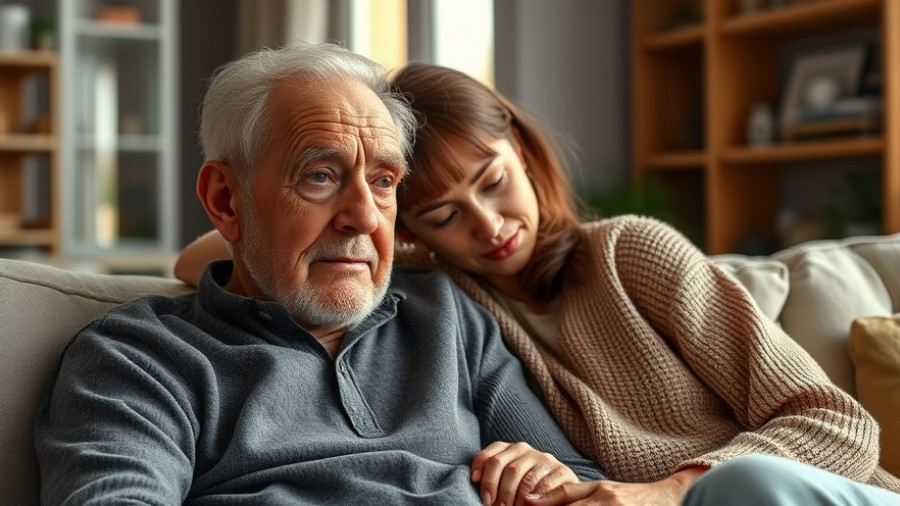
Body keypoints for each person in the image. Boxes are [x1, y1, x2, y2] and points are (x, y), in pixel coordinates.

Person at [176, 61, 900, 506]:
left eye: (494, 182)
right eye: (445, 215)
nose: (489, 225)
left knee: (740, 487)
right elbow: (213, 257)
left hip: (793, 493)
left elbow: (836, 423)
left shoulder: (631, 253)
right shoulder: (451, 298)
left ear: (520, 148)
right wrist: (281, 212)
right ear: (414, 231)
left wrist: (673, 489)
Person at [34, 42, 609, 505]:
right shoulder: (139, 358)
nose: (364, 217)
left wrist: (542, 473)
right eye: (320, 176)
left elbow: (581, 484)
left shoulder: (448, 316)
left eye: (383, 182)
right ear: (226, 200)